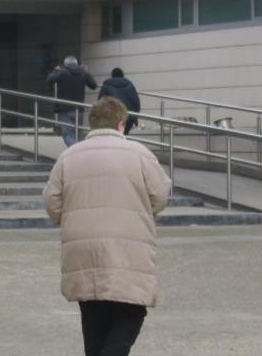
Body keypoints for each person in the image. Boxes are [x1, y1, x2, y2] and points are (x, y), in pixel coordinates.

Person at [43, 97, 172, 356]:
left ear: (91, 123)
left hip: (82, 246)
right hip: (126, 243)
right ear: (121, 124)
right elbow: (160, 196)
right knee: (130, 312)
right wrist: (140, 212)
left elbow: (52, 202)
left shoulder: (69, 156)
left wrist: (72, 218)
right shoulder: (140, 154)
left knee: (93, 320)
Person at [46, 56, 97, 147]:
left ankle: (75, 151)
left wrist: (55, 70)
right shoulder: (83, 72)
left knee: (67, 134)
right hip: (78, 108)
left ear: (65, 64)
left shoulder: (62, 72)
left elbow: (49, 80)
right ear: (76, 63)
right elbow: (94, 85)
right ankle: (79, 151)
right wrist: (87, 72)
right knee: (78, 133)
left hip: (64, 109)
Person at [98, 67, 141, 136]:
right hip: (128, 116)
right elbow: (136, 102)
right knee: (124, 136)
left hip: (111, 116)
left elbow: (100, 102)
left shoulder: (106, 85)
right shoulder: (129, 85)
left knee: (113, 136)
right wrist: (135, 118)